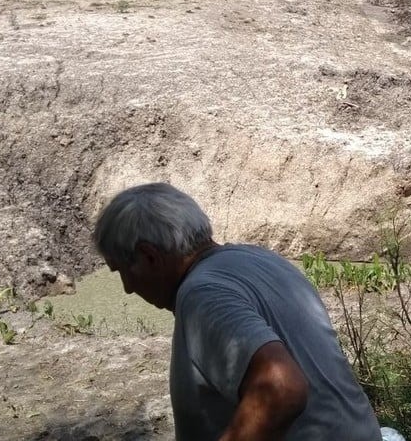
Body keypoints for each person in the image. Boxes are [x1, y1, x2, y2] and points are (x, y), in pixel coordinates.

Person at [92, 182, 384, 441]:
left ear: (149, 256)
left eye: (122, 271)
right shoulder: (262, 260)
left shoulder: (202, 294)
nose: (128, 288)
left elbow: (281, 387)